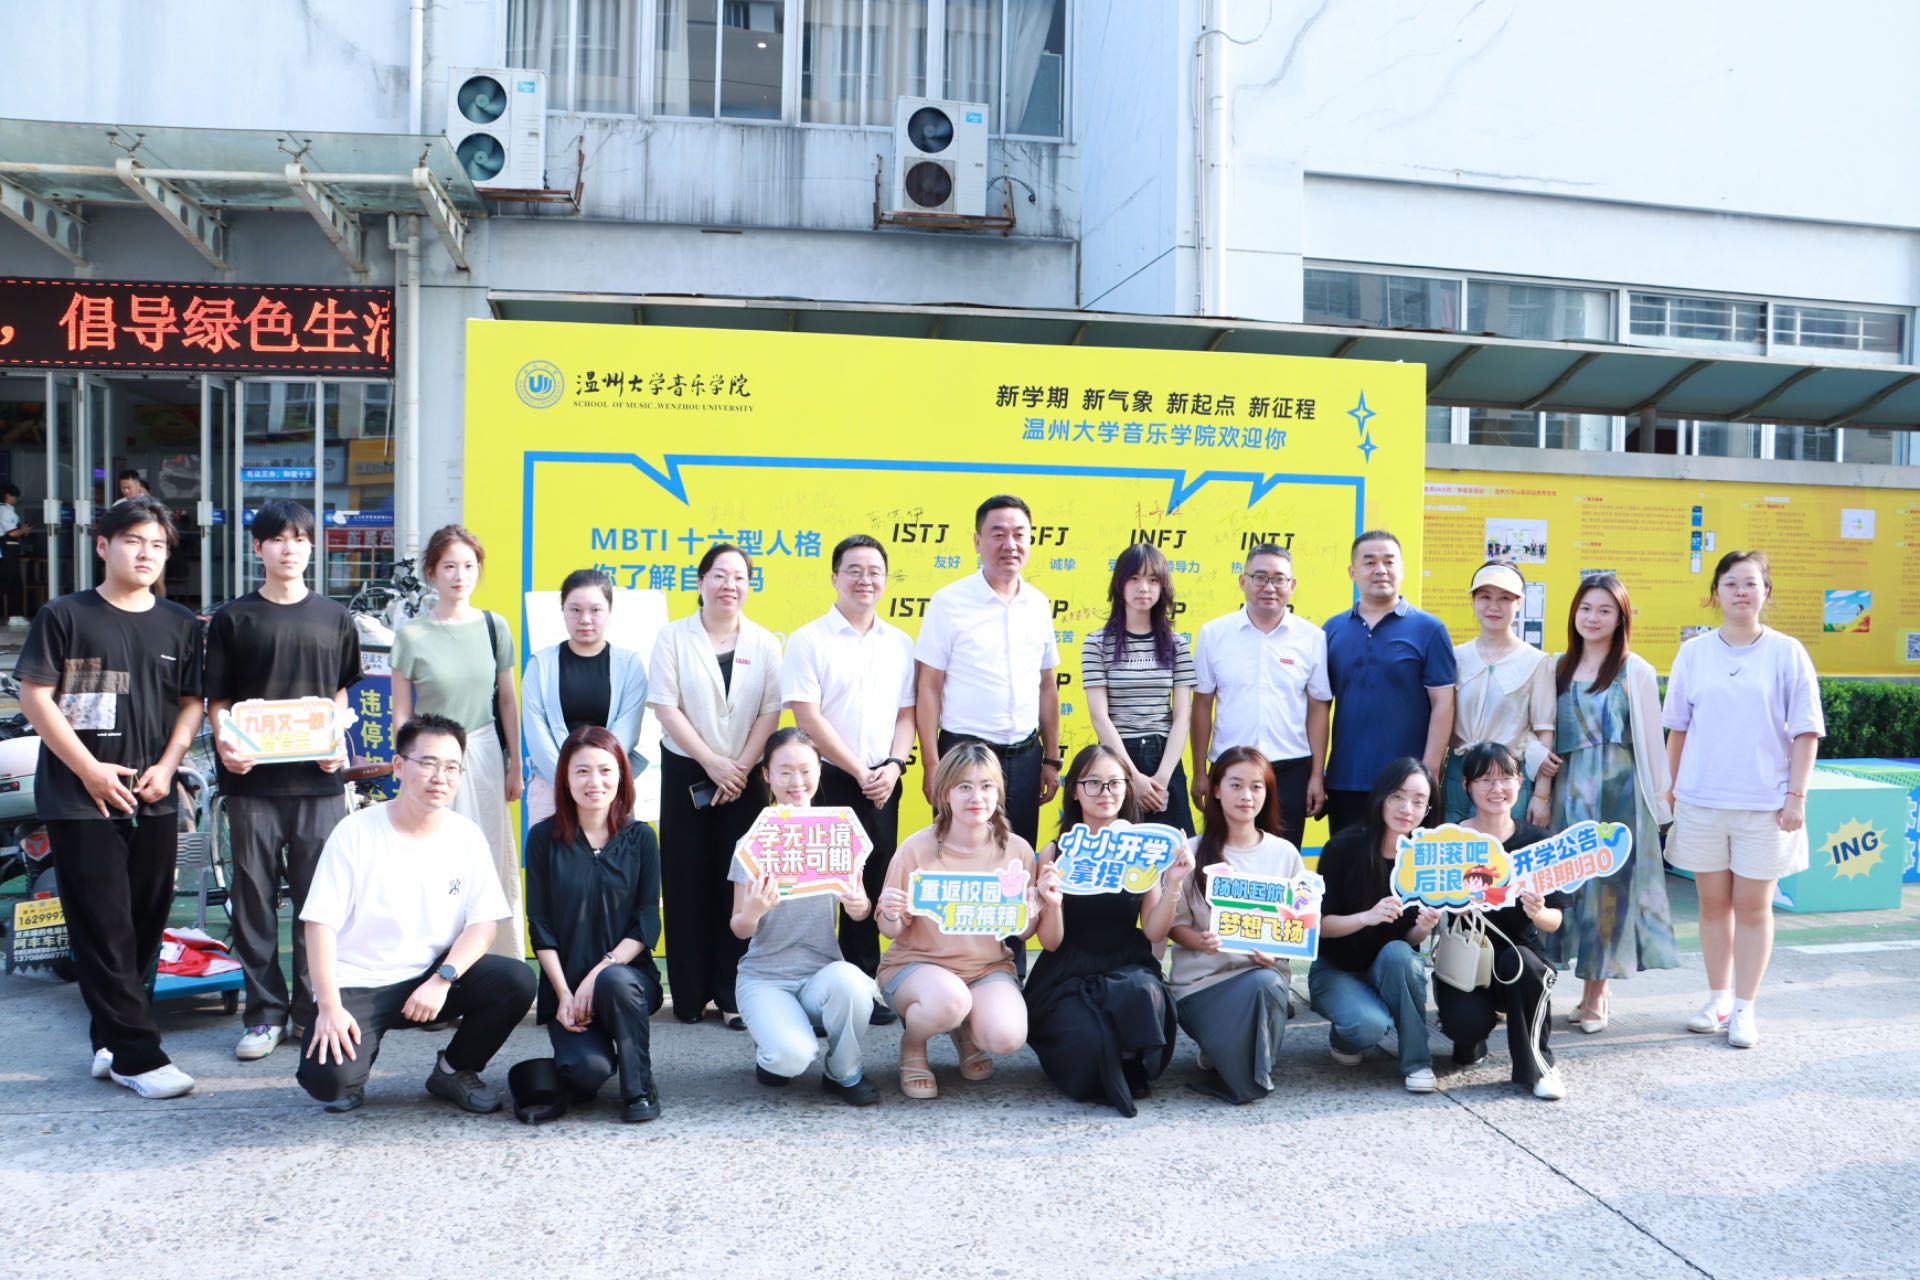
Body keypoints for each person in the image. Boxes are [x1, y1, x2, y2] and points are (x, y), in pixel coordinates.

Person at [14, 495, 203, 1099]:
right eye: (134, 541)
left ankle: (110, 1040)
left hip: (154, 794)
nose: (146, 553)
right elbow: (35, 696)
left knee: (145, 924)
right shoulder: (65, 614)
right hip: (80, 798)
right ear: (103, 545)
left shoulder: (179, 622)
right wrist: (91, 771)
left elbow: (191, 703)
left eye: (158, 545)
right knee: (102, 926)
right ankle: (138, 1057)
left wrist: (169, 767)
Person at [297, 713, 537, 1114]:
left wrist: (443, 979)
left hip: (431, 974)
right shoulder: (355, 832)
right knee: (329, 1083)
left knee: (516, 980)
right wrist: (329, 1007)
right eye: (428, 763)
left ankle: (453, 1070)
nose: (440, 777)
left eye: (451, 767)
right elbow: (319, 924)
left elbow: (483, 924)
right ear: (399, 766)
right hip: (362, 980)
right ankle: (355, 1068)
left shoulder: (466, 835)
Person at [205, 500, 362, 1062]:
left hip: (319, 783)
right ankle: (263, 1015)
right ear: (258, 548)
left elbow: (340, 690)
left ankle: (313, 1009)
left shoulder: (334, 617)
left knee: (320, 902)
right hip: (251, 785)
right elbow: (218, 698)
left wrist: (335, 738)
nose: (289, 548)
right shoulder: (233, 618)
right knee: (253, 899)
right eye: (277, 538)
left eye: (299, 538)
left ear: (312, 547)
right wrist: (226, 742)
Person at [1663, 550, 1823, 1050]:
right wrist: (1670, 790)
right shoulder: (1694, 652)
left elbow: (1806, 731)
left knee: (1753, 907)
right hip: (1702, 801)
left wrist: (1796, 796)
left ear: (1765, 592)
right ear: (1716, 593)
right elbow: (1678, 728)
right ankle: (1718, 998)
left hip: (1765, 805)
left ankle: (1746, 1008)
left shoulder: (1787, 652)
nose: (1740, 591)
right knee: (1712, 905)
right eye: (1730, 583)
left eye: (1750, 583)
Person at [875, 742, 1060, 1098]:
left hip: (986, 969)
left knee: (1007, 1037)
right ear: (945, 793)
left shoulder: (1018, 850)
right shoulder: (916, 848)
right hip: (917, 967)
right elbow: (890, 928)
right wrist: (892, 912)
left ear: (998, 792)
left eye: (986, 786)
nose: (976, 797)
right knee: (949, 1000)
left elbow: (1022, 932)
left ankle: (963, 1029)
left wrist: (1036, 906)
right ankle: (913, 1044)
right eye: (964, 787)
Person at [781, 534, 915, 1025]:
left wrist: (894, 766)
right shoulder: (808, 639)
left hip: (883, 780)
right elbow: (806, 715)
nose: (865, 580)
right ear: (835, 577)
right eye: (854, 570)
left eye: (874, 571)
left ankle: (863, 984)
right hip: (827, 780)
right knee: (820, 886)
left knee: (872, 880)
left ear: (885, 579)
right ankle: (813, 988)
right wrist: (859, 771)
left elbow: (907, 712)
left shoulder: (899, 643)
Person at [648, 541, 782, 1027]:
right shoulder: (672, 637)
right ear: (701, 581)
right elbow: (665, 706)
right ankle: (688, 995)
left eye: (740, 577)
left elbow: (771, 711)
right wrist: (712, 763)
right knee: (686, 880)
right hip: (688, 770)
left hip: (745, 777)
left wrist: (739, 768)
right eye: (720, 575)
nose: (730, 585)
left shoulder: (765, 642)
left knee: (740, 884)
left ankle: (732, 995)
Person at [1025, 744, 1188, 1117]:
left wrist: (1174, 882)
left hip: (1126, 965)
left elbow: (1154, 931)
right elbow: (1050, 942)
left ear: (1127, 789)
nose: (1105, 793)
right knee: (1088, 1040)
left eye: (1115, 783)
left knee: (1142, 992)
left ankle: (1126, 1061)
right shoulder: (1054, 853)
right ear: (1074, 790)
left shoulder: (1142, 849)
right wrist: (1051, 900)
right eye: (1093, 783)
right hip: (1066, 972)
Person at [1547, 573, 1676, 1034]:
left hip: (1618, 795)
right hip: (1566, 794)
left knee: (1609, 890)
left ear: (1621, 618)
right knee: (1565, 887)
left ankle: (1596, 993)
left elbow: (1651, 743)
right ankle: (1558, 986)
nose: (1593, 618)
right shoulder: (1556, 666)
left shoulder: (1634, 670)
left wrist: (1661, 803)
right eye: (1586, 608)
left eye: (1604, 610)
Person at [727, 728, 882, 1106]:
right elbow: (739, 928)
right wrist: (754, 911)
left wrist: (858, 904)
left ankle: (844, 1071)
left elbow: (861, 910)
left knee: (854, 984)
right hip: (765, 978)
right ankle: (772, 1051)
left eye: (806, 770)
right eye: (785, 772)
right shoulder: (754, 842)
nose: (797, 781)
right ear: (767, 775)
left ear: (820, 771)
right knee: (790, 1058)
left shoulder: (838, 836)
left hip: (821, 972)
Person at [391, 524, 523, 959]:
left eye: (468, 565)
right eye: (449, 566)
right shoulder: (412, 635)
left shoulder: (493, 626)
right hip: (429, 757)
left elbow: (507, 700)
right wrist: (406, 765)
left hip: (482, 754)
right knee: (432, 857)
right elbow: (401, 712)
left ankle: (496, 962)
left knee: (488, 856)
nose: (459, 575)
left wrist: (514, 764)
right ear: (432, 572)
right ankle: (431, 964)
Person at [525, 725, 663, 1123]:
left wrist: (597, 974)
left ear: (621, 776)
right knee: (586, 1074)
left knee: (614, 981)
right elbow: (540, 924)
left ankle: (639, 1088)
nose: (594, 782)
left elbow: (646, 922)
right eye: (582, 771)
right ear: (565, 779)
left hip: (627, 981)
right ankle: (584, 1058)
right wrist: (565, 994)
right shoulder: (543, 838)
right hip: (566, 989)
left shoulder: (641, 838)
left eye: (605, 770)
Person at [914, 494, 1061, 856]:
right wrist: (932, 764)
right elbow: (929, 688)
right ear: (977, 542)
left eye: (1019, 534)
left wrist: (1051, 758)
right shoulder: (949, 602)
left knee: (1017, 857)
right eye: (998, 534)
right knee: (956, 857)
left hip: (1025, 757)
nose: (1010, 544)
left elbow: (1046, 686)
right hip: (963, 757)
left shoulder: (1038, 604)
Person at [1167, 747, 1303, 1105]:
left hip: (1263, 979)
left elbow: (1297, 925)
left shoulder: (1285, 854)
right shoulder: (1192, 851)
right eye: (1236, 785)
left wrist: (1276, 954)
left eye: (1257, 787)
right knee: (1249, 1058)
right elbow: (1174, 925)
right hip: (1202, 985)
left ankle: (1231, 1060)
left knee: (1266, 982)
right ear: (1216, 789)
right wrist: (1200, 941)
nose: (1246, 796)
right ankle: (1237, 1066)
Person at [1440, 743, 1569, 1100]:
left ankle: (1539, 1067)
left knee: (1523, 963)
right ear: (1467, 785)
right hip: (1467, 957)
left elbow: (1555, 921)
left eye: (1506, 778)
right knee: (1464, 1025)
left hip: (1519, 956)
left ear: (1520, 782)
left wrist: (1538, 912)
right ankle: (1471, 1042)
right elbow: (1434, 906)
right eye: (1485, 779)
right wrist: (1456, 905)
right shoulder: (1451, 840)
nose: (1497, 789)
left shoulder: (1538, 843)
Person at [1309, 757, 1443, 1093]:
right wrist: (1366, 917)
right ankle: (1345, 1035)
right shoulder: (1344, 846)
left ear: (1428, 810)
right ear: (1381, 796)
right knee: (1367, 1026)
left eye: (1418, 801)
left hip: (1389, 967)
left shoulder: (1425, 858)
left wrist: (1424, 927)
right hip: (1336, 969)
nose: (1407, 809)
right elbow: (1318, 925)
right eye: (1398, 796)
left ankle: (1417, 1062)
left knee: (1400, 953)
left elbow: (1408, 941)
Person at [1190, 543, 1330, 849]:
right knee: (1224, 859)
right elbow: (1201, 705)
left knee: (1283, 859)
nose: (1269, 587)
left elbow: (1319, 708)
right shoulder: (1214, 634)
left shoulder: (1312, 638)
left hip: (1290, 771)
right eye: (1260, 577)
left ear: (1292, 585)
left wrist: (1316, 776)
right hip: (1228, 768)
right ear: (1243, 581)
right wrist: (1199, 771)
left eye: (1279, 579)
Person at [1322, 531, 1456, 834]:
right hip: (1346, 779)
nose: (1380, 570)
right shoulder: (1332, 630)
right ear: (1353, 572)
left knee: (1404, 863)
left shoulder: (1429, 629)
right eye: (1369, 562)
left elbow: (1443, 704)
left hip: (1408, 784)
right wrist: (1316, 774)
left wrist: (1429, 772)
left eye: (1389, 561)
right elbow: (1319, 706)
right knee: (1349, 860)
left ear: (1402, 569)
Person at [1083, 543, 1197, 836]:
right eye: (1134, 578)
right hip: (1117, 758)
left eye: (1152, 579)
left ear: (1162, 587)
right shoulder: (1096, 643)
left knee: (1177, 850)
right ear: (1119, 584)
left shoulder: (1177, 644)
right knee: (1117, 849)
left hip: (1164, 757)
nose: (1143, 588)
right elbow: (1100, 717)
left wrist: (1162, 778)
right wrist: (1132, 776)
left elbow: (1182, 717)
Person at [522, 568, 649, 824]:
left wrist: (596, 779)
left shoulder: (630, 665)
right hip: (551, 787)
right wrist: (570, 780)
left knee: (612, 851)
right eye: (575, 610)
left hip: (609, 787)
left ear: (609, 611)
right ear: (563, 611)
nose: (585, 619)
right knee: (552, 851)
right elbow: (537, 736)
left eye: (595, 610)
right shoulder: (540, 665)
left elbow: (626, 732)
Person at [1442, 561, 1557, 825]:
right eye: (1485, 597)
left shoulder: (1536, 661)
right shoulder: (1455, 657)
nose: (1494, 606)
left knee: (1508, 849)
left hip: (1506, 780)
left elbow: (1545, 732)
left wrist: (1541, 795)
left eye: (1505, 598)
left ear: (1519, 603)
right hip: (1459, 776)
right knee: (1457, 848)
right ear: (1473, 601)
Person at [0, 482, 32, 621]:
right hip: (8, 549)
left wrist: (22, 530)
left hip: (4, 550)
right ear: (7, 496)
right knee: (12, 582)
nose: (16, 499)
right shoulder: (6, 510)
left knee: (8, 581)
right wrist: (23, 530)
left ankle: (12, 615)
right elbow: (12, 533)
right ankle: (15, 615)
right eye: (15, 496)